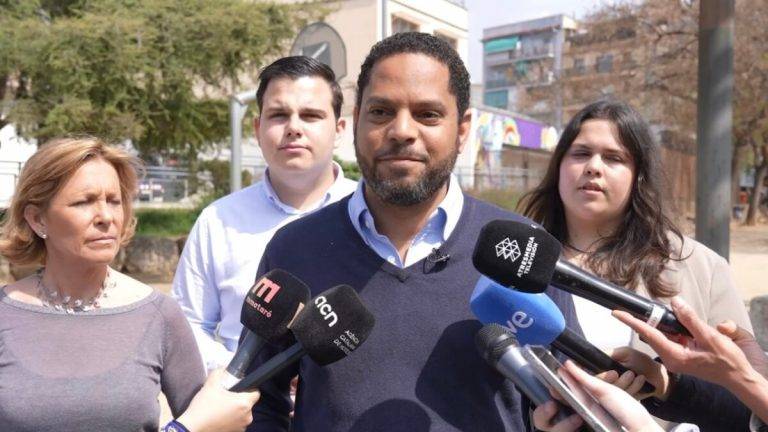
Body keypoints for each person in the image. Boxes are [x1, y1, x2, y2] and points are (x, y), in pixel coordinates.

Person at [244, 32, 582, 432]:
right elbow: (256, 400)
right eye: (382, 112)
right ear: (355, 123)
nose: (402, 130)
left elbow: (569, 398)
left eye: (427, 114)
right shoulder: (294, 249)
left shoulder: (524, 253)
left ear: (463, 128)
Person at [521, 100, 753, 429]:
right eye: (580, 153)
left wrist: (665, 386)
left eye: (614, 157)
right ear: (558, 166)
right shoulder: (519, 262)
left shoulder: (699, 266)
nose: (593, 167)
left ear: (639, 176)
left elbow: (746, 396)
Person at [0, 137, 258, 432]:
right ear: (37, 219)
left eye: (114, 201)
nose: (106, 217)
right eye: (84, 202)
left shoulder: (160, 316)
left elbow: (210, 422)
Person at [172, 56, 357, 372]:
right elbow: (186, 324)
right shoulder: (218, 221)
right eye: (279, 115)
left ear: (339, 129)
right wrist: (246, 375)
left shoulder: (370, 214)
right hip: (245, 409)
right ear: (258, 128)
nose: (294, 128)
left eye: (311, 115)